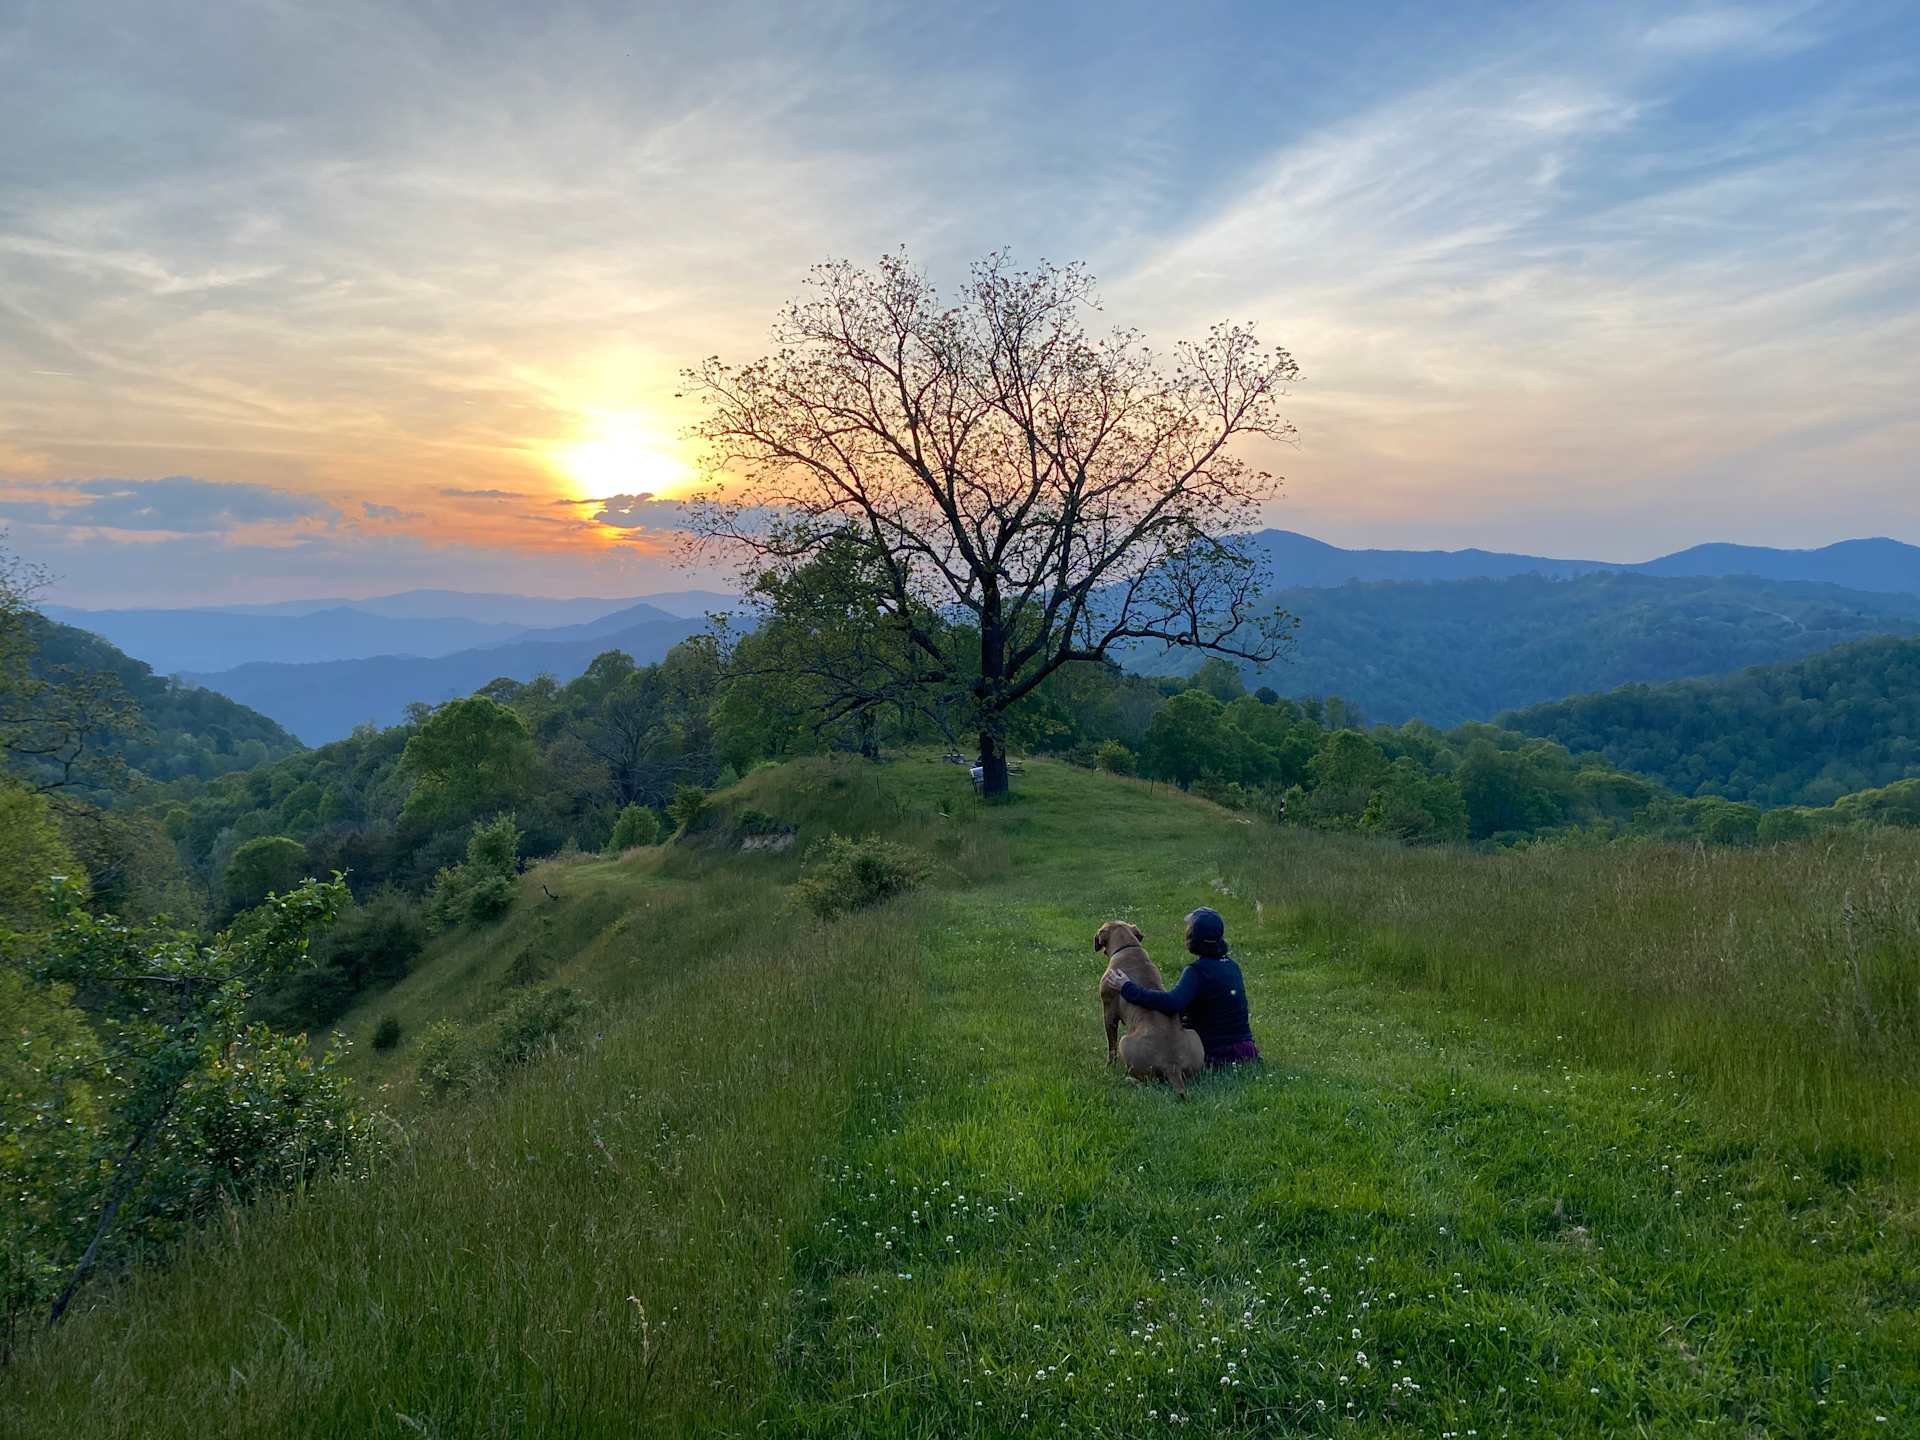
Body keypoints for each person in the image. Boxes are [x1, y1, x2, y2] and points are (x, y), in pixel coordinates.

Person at [1100, 907, 1260, 1068]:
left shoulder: (1196, 972)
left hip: (1218, 1055)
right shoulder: (1233, 966)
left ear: (1193, 938)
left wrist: (1127, 987)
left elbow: (1171, 1003)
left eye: (1189, 930)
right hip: (1247, 1051)